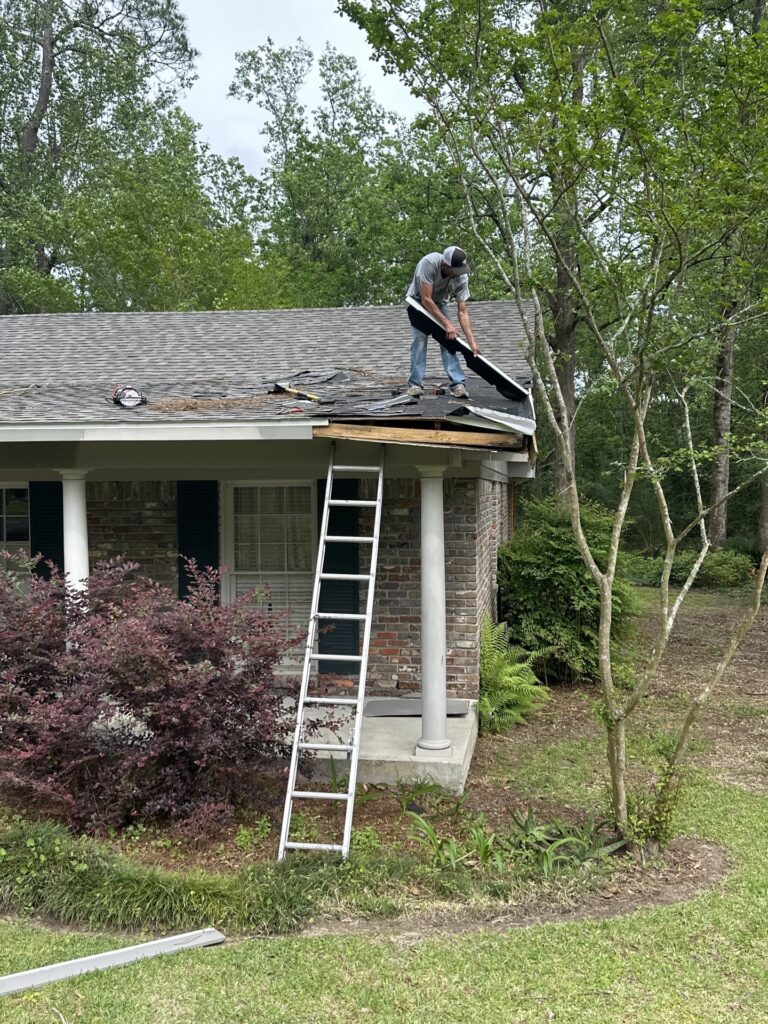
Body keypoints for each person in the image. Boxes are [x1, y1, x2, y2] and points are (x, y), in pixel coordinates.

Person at [405, 245, 481, 398]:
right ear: (445, 265)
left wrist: (472, 341)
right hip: (418, 303)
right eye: (455, 271)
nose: (458, 274)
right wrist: (447, 324)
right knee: (419, 341)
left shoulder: (461, 276)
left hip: (440, 303)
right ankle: (415, 384)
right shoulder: (429, 263)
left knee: (450, 339)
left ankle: (457, 384)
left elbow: (462, 311)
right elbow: (426, 299)